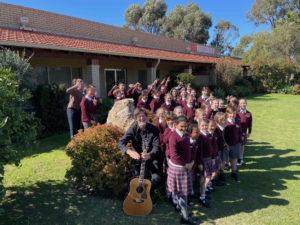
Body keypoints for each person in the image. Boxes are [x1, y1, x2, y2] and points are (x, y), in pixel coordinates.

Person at [118, 108, 162, 195]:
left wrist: (150, 154)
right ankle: (137, 194)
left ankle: (147, 194)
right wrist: (130, 152)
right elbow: (120, 143)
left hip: (151, 157)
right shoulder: (132, 129)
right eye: (139, 116)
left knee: (157, 178)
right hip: (137, 157)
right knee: (136, 179)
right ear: (136, 118)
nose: (142, 118)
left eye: (143, 116)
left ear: (146, 117)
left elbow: (157, 147)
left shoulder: (154, 129)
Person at [167, 116, 198, 225]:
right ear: (175, 125)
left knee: (182, 194)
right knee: (183, 195)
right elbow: (174, 156)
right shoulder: (173, 137)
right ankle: (185, 218)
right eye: (181, 126)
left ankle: (182, 211)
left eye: (185, 126)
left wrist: (192, 161)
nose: (184, 128)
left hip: (185, 168)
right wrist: (186, 164)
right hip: (179, 169)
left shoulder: (185, 135)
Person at [197, 118, 213, 208]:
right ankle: (202, 196)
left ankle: (202, 192)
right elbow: (200, 151)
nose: (204, 127)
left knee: (205, 177)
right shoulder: (200, 136)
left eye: (206, 125)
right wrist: (199, 163)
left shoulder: (208, 134)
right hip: (203, 160)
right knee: (206, 177)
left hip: (209, 159)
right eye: (202, 125)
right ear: (199, 126)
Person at [224, 106, 242, 182]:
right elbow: (223, 135)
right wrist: (225, 145)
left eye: (234, 113)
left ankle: (234, 172)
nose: (232, 115)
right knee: (224, 159)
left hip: (236, 144)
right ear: (227, 114)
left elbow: (240, 132)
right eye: (230, 113)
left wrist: (240, 141)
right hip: (227, 145)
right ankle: (221, 174)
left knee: (234, 159)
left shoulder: (237, 122)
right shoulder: (225, 123)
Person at [237, 99, 252, 166]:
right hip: (236, 133)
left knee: (242, 146)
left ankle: (241, 158)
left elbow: (250, 124)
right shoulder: (236, 113)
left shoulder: (249, 113)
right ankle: (235, 159)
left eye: (244, 103)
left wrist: (249, 132)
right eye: (242, 103)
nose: (243, 104)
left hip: (244, 132)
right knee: (236, 146)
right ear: (239, 104)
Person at [214, 112, 228, 182]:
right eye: (223, 120)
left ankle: (221, 173)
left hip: (223, 148)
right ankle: (215, 178)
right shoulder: (216, 129)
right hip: (217, 150)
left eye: (225, 119)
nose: (225, 121)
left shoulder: (223, 128)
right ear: (218, 120)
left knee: (223, 161)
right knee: (217, 164)